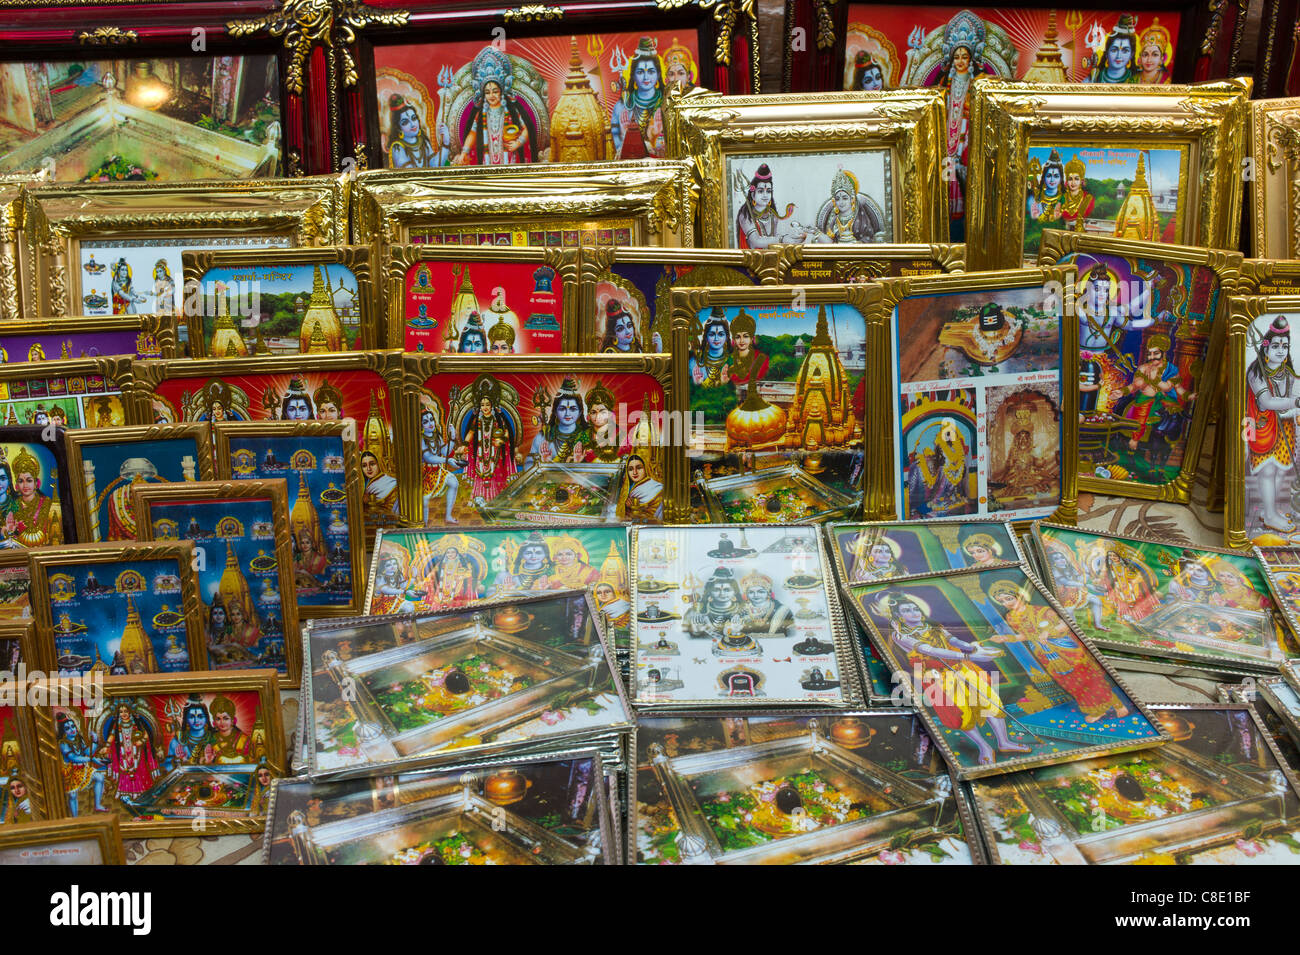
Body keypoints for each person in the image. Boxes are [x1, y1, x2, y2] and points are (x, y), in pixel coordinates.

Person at [880, 592, 1030, 766]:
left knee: (989, 701)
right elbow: (931, 651)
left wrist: (973, 649)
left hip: (961, 669)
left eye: (915, 608)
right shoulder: (900, 636)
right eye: (907, 610)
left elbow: (955, 640)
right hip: (937, 676)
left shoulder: (934, 626)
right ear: (898, 615)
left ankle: (1004, 742)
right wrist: (969, 657)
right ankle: (984, 747)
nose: (914, 612)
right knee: (961, 713)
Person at [987, 580, 1131, 724]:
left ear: (1019, 595)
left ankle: (1119, 706)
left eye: (1009, 598)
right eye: (1002, 601)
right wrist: (1005, 638)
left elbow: (1064, 624)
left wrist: (1048, 632)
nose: (1007, 603)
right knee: (1072, 684)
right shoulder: (1011, 617)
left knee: (1089, 678)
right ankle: (1097, 710)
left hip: (1066, 649)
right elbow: (1024, 635)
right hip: (1045, 655)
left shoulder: (1042, 610)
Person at [1246, 316, 1300, 533]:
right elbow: (1265, 401)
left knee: (1280, 471)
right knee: (1267, 472)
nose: (1281, 350)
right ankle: (1269, 514)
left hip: (1284, 427)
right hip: (1260, 426)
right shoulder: (1256, 372)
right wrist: (1294, 402)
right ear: (1265, 350)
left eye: (1285, 346)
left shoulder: (1288, 374)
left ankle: (1270, 511)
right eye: (1276, 346)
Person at [456, 47, 535, 165]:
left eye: (495, 91)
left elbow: (526, 129)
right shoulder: (481, 114)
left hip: (510, 159)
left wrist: (518, 143)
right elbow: (472, 133)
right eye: (487, 93)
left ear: (501, 91)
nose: (491, 95)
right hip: (487, 161)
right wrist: (464, 152)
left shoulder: (511, 111)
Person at [611, 37, 667, 159]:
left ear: (658, 74)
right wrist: (626, 135)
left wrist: (656, 136)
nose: (646, 77)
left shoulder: (666, 104)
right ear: (633, 76)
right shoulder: (622, 106)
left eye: (651, 71)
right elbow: (617, 148)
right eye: (640, 72)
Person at [734, 164, 809, 248]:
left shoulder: (772, 215)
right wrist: (783, 239)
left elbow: (773, 239)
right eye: (760, 191)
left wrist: (793, 237)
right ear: (753, 195)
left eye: (769, 191)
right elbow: (756, 241)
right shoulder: (745, 215)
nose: (765, 195)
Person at [464, 386, 516, 502]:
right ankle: (479, 498)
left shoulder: (498, 420)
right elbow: (471, 433)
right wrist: (465, 444)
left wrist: (501, 441)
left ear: (492, 406)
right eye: (482, 405)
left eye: (487, 404)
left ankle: (496, 498)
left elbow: (507, 432)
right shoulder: (477, 420)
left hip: (495, 451)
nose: (485, 407)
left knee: (495, 473)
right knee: (481, 472)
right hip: (480, 452)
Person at [526, 378, 591, 468]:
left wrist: (578, 463)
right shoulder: (543, 437)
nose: (567, 413)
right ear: (555, 412)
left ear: (580, 412)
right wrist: (544, 463)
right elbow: (528, 467)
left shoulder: (587, 436)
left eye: (573, 409)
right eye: (562, 408)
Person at [103, 703, 159, 797]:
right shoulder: (117, 725)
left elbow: (146, 734)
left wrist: (141, 741)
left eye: (125, 711)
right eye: (121, 712)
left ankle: (143, 791)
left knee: (140, 770)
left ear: (130, 712)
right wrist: (107, 745)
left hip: (137, 752)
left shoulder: (137, 723)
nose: (123, 714)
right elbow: (112, 735)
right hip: (123, 752)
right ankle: (126, 792)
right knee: (125, 772)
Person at [814, 168, 886, 243]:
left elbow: (869, 237)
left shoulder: (860, 218)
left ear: (852, 199)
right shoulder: (834, 220)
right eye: (838, 199)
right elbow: (830, 241)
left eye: (845, 198)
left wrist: (857, 244)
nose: (841, 202)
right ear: (834, 201)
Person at [421, 404, 463, 525]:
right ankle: (424, 525)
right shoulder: (421, 439)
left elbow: (444, 452)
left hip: (437, 471)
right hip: (424, 474)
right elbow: (428, 457)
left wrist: (452, 438)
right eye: (425, 422)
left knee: (454, 482)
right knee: (424, 501)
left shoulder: (436, 436)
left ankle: (448, 516)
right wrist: (447, 460)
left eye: (431, 419)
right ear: (421, 425)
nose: (430, 423)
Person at [58, 716, 107, 814]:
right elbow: (74, 758)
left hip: (83, 769)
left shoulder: (78, 739)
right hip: (71, 772)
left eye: (73, 726)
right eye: (67, 728)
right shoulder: (63, 743)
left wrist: (95, 741)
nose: (72, 729)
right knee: (72, 796)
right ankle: (74, 818)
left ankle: (97, 805)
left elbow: (87, 752)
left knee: (100, 777)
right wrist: (92, 759)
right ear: (63, 732)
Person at [387, 93, 448, 168]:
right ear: (398, 128)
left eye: (414, 118)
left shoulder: (423, 142)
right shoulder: (398, 147)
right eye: (405, 122)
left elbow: (435, 165)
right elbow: (409, 173)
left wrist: (446, 144)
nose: (412, 124)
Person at [683, 568, 744, 639]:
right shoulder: (695, 612)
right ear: (709, 592)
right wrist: (695, 632)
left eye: (727, 590)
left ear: (735, 592)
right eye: (717, 590)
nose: (722, 593)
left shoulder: (745, 612)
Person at [201, 695, 256, 764]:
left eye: (225, 718)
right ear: (214, 722)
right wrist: (208, 761)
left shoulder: (244, 741)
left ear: (233, 720)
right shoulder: (209, 740)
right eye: (218, 719)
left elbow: (254, 764)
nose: (222, 722)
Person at [738, 571, 794, 637]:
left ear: (768, 593)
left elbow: (791, 635)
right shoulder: (740, 610)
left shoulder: (783, 610)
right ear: (746, 594)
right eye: (751, 592)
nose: (756, 595)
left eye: (760, 592)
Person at [690, 307, 732, 387]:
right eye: (712, 334)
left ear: (726, 337)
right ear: (706, 337)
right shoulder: (694, 363)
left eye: (720, 334)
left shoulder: (732, 361)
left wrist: (725, 384)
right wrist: (698, 384)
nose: (716, 339)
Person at [1090, 15, 1138, 83]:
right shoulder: (1094, 76)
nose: (1119, 56)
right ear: (1106, 52)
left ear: (1132, 54)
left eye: (1125, 51)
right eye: (1114, 50)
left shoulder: (1137, 79)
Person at [727, 308, 768, 387]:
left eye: (745, 336)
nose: (742, 341)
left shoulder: (762, 359)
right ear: (734, 340)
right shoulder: (728, 360)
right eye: (738, 337)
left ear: (752, 338)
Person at [619, 453, 663, 522]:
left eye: (639, 468)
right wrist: (626, 507)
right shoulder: (628, 491)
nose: (635, 472)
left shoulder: (658, 489)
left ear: (646, 468)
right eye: (630, 469)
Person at [1027, 148, 1065, 223]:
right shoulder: (1035, 198)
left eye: (1056, 176)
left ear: (1061, 179)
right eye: (1049, 175)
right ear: (1043, 177)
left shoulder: (1064, 199)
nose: (1052, 180)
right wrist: (1035, 218)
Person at [1060, 154, 1095, 233]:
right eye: (1070, 179)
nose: (1073, 183)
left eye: (1076, 179)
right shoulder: (1062, 198)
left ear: (1081, 181)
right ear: (1066, 181)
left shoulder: (1088, 199)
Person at [361, 450, 400, 515]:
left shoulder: (391, 482)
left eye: (372, 464)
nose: (368, 469)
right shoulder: (366, 486)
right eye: (364, 465)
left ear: (379, 464)